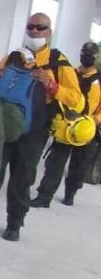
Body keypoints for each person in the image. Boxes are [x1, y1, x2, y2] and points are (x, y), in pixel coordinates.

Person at [0, 13, 84, 244]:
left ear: (49, 32)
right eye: (30, 27)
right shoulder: (13, 56)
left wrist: (51, 84)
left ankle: (15, 224)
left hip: (34, 132)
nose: (34, 32)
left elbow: (77, 100)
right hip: (3, 128)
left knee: (22, 180)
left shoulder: (58, 62)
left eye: (40, 28)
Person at [30, 42, 101, 207]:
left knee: (79, 166)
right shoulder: (71, 73)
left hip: (87, 129)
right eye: (84, 52)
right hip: (65, 125)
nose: (86, 55)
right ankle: (44, 196)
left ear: (96, 57)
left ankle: (71, 193)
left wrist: (96, 120)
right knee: (54, 163)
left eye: (90, 53)